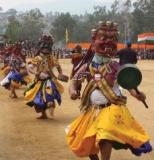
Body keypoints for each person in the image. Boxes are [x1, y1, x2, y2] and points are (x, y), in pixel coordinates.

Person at [66, 21, 152, 160]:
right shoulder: (87, 67)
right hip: (93, 111)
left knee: (105, 135)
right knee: (87, 140)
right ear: (94, 42)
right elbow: (75, 81)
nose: (108, 42)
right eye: (103, 38)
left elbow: (131, 88)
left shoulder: (117, 68)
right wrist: (73, 91)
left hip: (112, 109)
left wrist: (139, 95)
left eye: (112, 39)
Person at [24, 35, 68, 119]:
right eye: (44, 46)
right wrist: (36, 73)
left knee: (49, 95)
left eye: (47, 46)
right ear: (40, 47)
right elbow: (30, 68)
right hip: (39, 81)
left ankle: (51, 108)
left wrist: (60, 74)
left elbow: (58, 66)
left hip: (49, 81)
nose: (46, 48)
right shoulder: (37, 58)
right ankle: (43, 114)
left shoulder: (52, 58)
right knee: (38, 98)